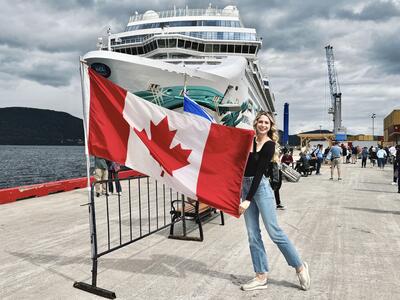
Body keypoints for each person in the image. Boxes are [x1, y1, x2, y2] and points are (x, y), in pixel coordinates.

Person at [238, 111, 310, 291]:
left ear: (270, 127)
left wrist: (247, 200)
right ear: (255, 123)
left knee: (274, 232)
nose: (263, 125)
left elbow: (258, 173)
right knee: (253, 234)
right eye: (260, 121)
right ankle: (260, 276)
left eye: (266, 123)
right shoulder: (248, 141)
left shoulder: (269, 145)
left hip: (260, 189)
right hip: (245, 187)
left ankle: (299, 266)